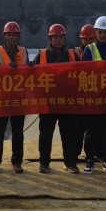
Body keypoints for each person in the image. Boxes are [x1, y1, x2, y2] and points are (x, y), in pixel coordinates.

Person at [0, 21, 33, 174]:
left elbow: (28, 74)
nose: (12, 37)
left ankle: (17, 162)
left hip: (19, 98)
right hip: (1, 98)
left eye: (14, 35)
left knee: (18, 132)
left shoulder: (24, 52)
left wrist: (31, 67)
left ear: (18, 36)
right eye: (9, 35)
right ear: (5, 36)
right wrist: (5, 69)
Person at [34, 24, 79, 173]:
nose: (58, 40)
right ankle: (44, 163)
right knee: (45, 134)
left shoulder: (73, 55)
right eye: (55, 37)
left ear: (64, 38)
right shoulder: (41, 55)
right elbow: (31, 75)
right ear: (50, 39)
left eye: (60, 37)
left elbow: (83, 74)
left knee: (69, 134)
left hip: (67, 103)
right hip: (48, 103)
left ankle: (70, 162)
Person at [81, 16, 106, 175]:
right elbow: (85, 73)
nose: (103, 35)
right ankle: (90, 159)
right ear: (95, 32)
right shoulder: (89, 50)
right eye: (100, 32)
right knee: (90, 131)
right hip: (94, 98)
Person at [74, 24, 97, 161]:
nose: (88, 41)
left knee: (92, 129)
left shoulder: (97, 51)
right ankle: (75, 153)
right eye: (85, 39)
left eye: (90, 39)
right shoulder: (74, 53)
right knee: (78, 128)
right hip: (78, 96)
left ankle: (92, 155)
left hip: (93, 95)